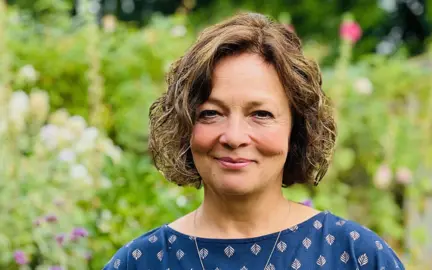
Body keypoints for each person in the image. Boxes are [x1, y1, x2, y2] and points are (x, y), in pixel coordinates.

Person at [103, 12, 405, 270]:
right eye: (211, 113)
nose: (234, 137)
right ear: (185, 125)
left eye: (260, 114)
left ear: (297, 127)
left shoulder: (356, 257)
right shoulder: (141, 262)